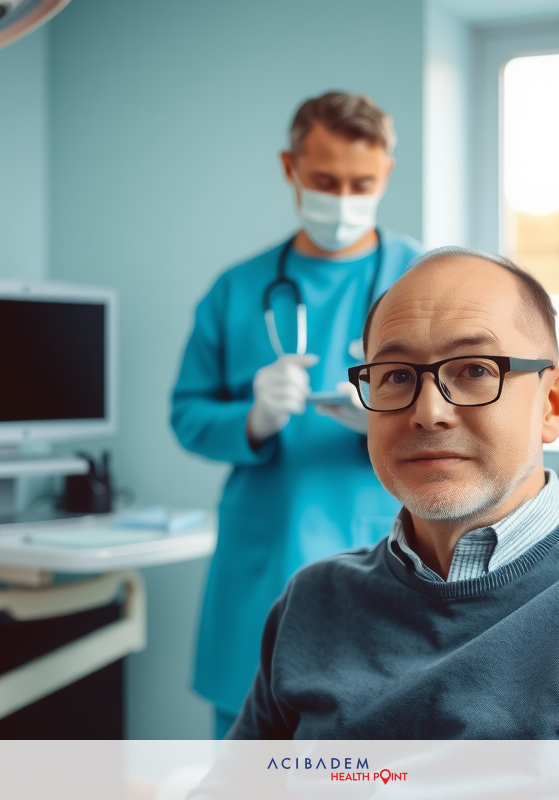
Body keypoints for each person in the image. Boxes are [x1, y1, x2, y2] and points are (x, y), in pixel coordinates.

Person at [227, 246, 559, 739]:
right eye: (395, 375)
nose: (429, 412)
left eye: (473, 369)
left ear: (553, 405)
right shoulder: (313, 601)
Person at [171, 92, 423, 738]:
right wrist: (252, 421)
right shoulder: (238, 288)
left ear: (387, 173)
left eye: (362, 183)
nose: (343, 198)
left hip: (384, 553)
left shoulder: (425, 281)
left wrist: (393, 415)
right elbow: (187, 413)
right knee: (248, 759)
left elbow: (471, 403)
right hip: (265, 559)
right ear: (290, 168)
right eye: (324, 181)